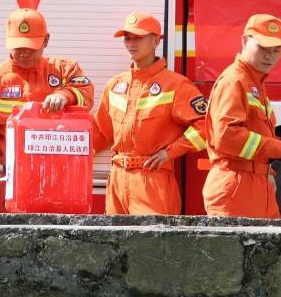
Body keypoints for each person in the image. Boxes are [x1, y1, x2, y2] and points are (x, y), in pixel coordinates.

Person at [90, 13, 210, 215]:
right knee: (115, 244)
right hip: (118, 179)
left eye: (138, 38)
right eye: (127, 38)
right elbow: (100, 133)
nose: (131, 43)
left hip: (153, 179)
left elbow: (208, 125)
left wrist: (171, 152)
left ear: (156, 40)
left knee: (151, 245)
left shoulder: (176, 85)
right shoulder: (115, 85)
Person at [0, 9, 94, 185]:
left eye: (30, 46)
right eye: (18, 47)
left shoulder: (65, 70)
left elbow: (86, 91)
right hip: (14, 179)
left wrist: (66, 94)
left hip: (62, 178)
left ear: (46, 40)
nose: (24, 52)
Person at [203, 14, 281, 219]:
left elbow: (255, 133)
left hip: (254, 185)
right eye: (263, 48)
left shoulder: (254, 83)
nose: (269, 56)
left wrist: (266, 171)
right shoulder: (235, 81)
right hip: (236, 189)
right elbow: (227, 137)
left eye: (276, 50)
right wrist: (279, 149)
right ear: (245, 41)